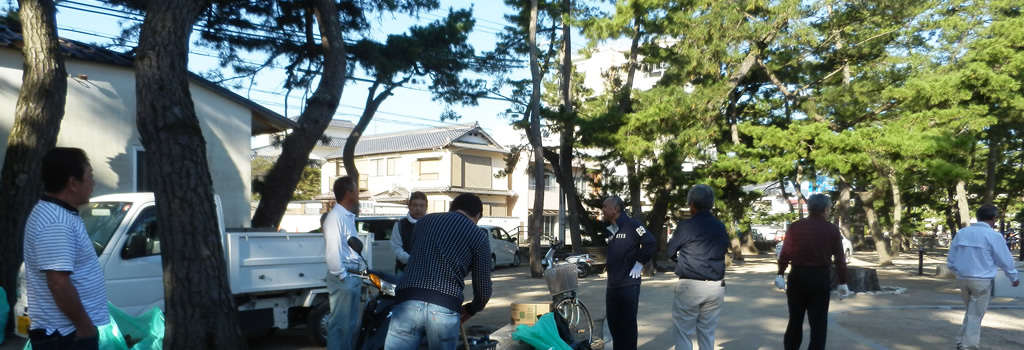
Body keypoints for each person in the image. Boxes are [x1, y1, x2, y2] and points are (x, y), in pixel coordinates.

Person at [23, 147, 109, 350]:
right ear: (73, 183)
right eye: (90, 177)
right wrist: (85, 327)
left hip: (68, 333)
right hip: (66, 336)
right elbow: (58, 284)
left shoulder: (60, 214)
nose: (93, 184)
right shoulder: (55, 222)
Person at [384, 193, 492, 350]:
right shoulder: (479, 237)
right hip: (445, 304)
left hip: (408, 299)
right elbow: (483, 289)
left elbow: (415, 255)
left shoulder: (424, 222)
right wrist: (471, 309)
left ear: (451, 208)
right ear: (478, 215)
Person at [775, 193, 850, 350]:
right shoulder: (832, 229)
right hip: (820, 277)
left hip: (798, 276)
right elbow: (839, 258)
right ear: (826, 209)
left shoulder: (795, 227)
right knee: (818, 323)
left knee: (795, 319)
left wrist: (780, 273)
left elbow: (786, 252)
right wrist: (843, 282)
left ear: (809, 208)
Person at [946, 204, 1019, 350]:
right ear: (993, 218)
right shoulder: (994, 236)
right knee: (975, 314)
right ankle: (968, 346)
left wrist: (957, 270)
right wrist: (1013, 277)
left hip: (963, 278)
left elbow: (951, 258)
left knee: (971, 311)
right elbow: (1004, 260)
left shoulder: (962, 233)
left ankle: (961, 340)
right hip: (981, 279)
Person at [666, 184, 730, 350]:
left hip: (690, 285)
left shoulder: (686, 226)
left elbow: (670, 251)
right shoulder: (720, 226)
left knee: (683, 332)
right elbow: (723, 250)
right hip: (715, 286)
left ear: (691, 204)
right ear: (711, 204)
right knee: (707, 332)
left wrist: (681, 261)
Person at [601, 195, 656, 350]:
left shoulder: (632, 225)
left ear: (616, 209)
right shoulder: (611, 229)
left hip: (628, 284)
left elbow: (650, 243)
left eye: (605, 206)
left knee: (627, 327)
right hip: (612, 285)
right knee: (614, 326)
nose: (602, 209)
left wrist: (639, 263)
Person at [322, 176, 365, 350]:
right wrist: (342, 275)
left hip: (352, 274)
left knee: (350, 324)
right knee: (340, 325)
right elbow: (332, 251)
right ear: (349, 193)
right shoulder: (335, 217)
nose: (358, 192)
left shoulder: (347, 216)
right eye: (356, 189)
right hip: (344, 276)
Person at [390, 191, 428, 275]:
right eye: (415, 205)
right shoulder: (400, 225)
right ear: (409, 207)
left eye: (422, 206)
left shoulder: (433, 224)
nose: (418, 209)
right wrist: (412, 260)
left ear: (426, 207)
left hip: (427, 271)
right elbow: (396, 248)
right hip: (404, 271)